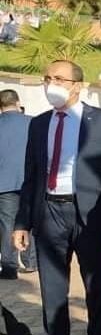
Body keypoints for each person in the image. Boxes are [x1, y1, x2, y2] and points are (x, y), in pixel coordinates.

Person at [14, 60, 101, 335]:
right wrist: (22, 222)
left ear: (78, 85)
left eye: (59, 79)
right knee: (52, 292)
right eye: (47, 78)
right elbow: (31, 175)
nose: (51, 84)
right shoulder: (39, 124)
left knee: (96, 289)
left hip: (90, 216)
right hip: (48, 212)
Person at [0, 89, 37, 279]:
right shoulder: (34, 122)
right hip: (31, 180)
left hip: (5, 181)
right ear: (17, 103)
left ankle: (9, 266)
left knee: (8, 224)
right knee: (30, 220)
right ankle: (31, 262)